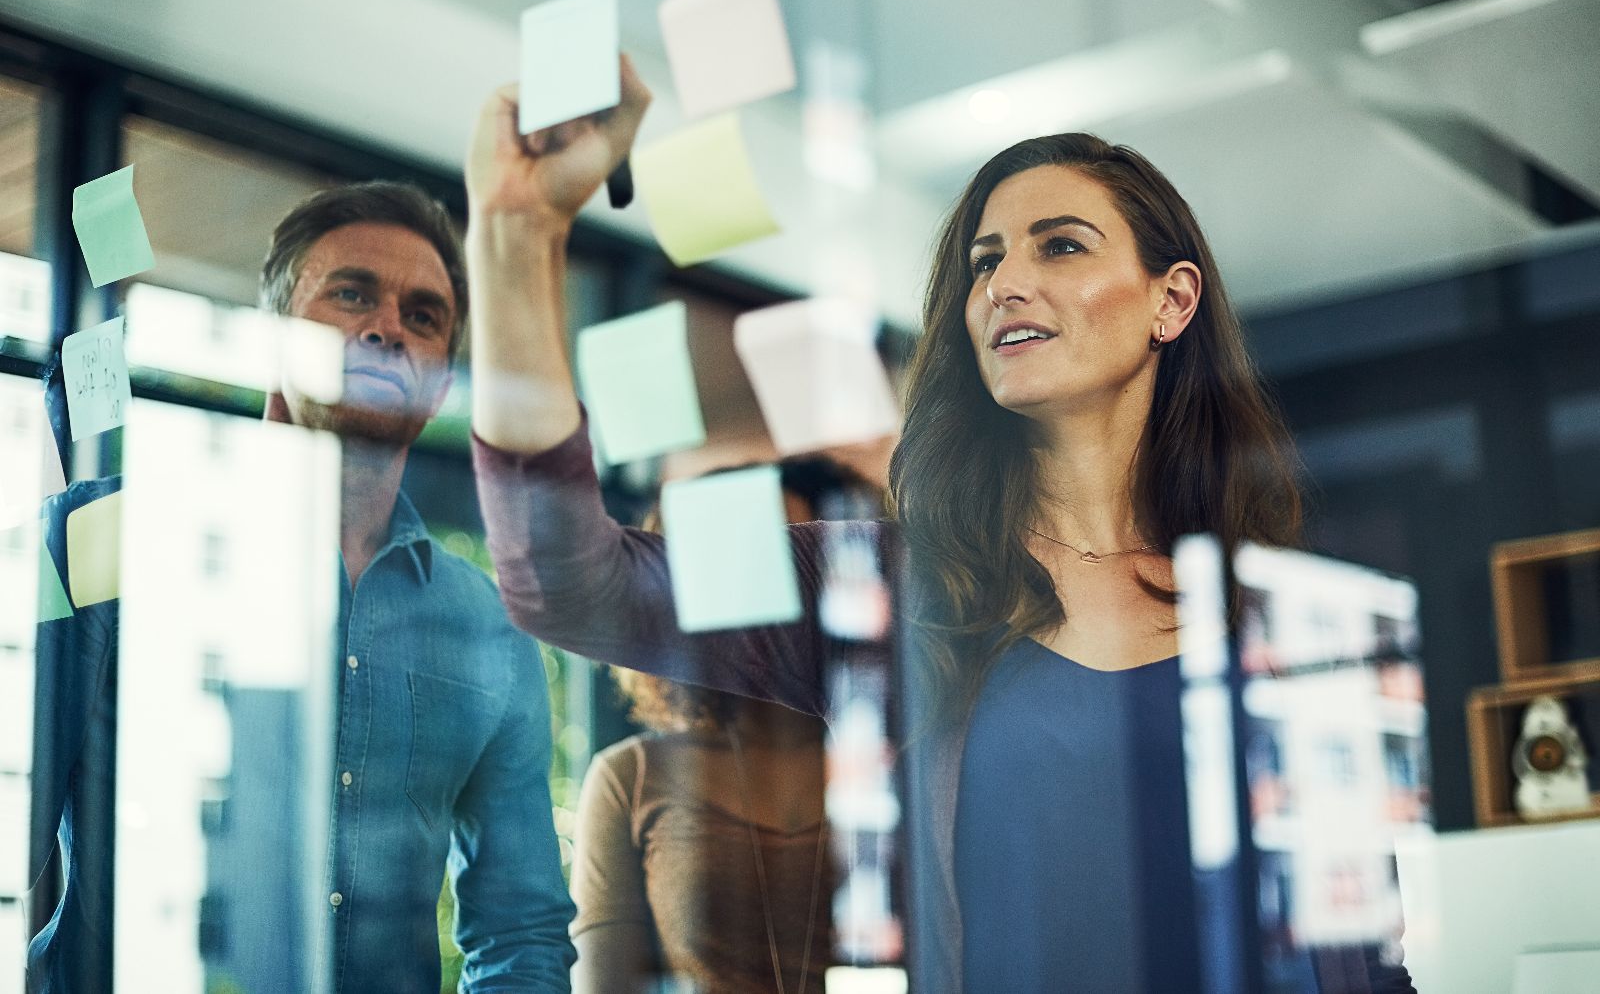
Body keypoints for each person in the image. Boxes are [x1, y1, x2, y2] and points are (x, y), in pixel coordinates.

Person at [462, 62, 1414, 993]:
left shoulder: (1272, 615)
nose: (1006, 284)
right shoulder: (886, 587)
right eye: (986, 262)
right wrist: (516, 232)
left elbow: (1360, 955)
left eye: (1062, 246)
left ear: (1172, 300)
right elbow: (569, 582)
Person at [28, 181, 576, 993]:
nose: (387, 327)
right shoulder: (100, 535)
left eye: (422, 316)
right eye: (351, 293)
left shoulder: (492, 627)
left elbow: (520, 931)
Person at [570, 460, 873, 994]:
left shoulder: (893, 761)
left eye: (800, 558)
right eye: (746, 561)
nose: (778, 591)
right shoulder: (631, 779)